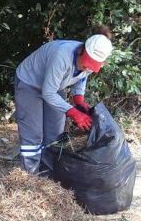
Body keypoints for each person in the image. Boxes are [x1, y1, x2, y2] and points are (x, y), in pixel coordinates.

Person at [14, 27, 114, 173]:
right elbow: (48, 93)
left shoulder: (92, 61)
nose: (88, 67)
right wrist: (73, 112)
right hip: (30, 83)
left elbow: (82, 77)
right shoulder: (61, 56)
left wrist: (79, 100)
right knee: (33, 132)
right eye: (88, 62)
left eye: (93, 65)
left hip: (54, 85)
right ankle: (31, 174)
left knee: (55, 132)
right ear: (83, 50)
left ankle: (49, 171)